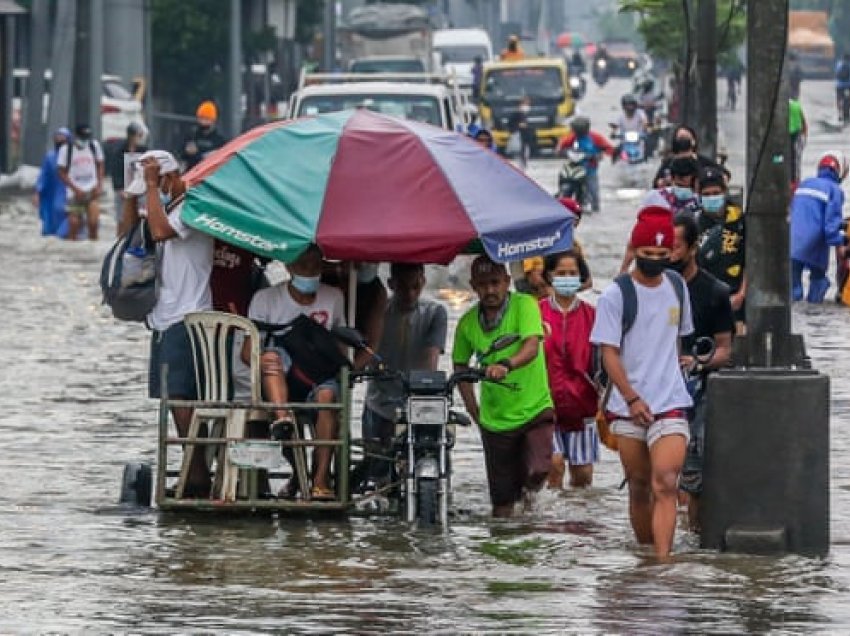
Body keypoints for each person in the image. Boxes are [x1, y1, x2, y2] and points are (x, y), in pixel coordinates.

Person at [591, 206, 694, 558]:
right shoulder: (615, 296)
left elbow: (677, 340)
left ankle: (663, 564)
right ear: (634, 250)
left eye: (662, 255)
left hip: (670, 402)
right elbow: (609, 353)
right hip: (627, 405)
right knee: (638, 485)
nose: (654, 260)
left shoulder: (678, 287)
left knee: (665, 482)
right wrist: (632, 398)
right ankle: (646, 555)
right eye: (648, 254)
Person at [123, 150, 214, 497]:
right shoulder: (165, 208)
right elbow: (130, 234)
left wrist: (149, 187)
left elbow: (159, 231)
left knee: (183, 398)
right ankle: (195, 471)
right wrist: (132, 195)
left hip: (188, 316)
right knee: (174, 399)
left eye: (158, 182)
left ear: (172, 178)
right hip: (164, 317)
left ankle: (197, 473)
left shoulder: (192, 208)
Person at [452, 256, 554, 517]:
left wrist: (507, 365)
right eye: (483, 284)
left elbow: (532, 346)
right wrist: (475, 412)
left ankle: (531, 513)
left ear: (507, 282)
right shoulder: (466, 324)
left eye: (496, 283)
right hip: (496, 421)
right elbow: (460, 368)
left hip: (535, 408)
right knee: (501, 506)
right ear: (473, 286)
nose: (490, 290)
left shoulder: (525, 305)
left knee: (539, 470)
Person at [244, 244, 345, 500]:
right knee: (272, 355)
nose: (309, 272)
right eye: (303, 266)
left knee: (326, 397)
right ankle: (282, 420)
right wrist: (262, 361)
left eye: (315, 266)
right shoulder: (265, 299)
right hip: (280, 379)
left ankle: (321, 480)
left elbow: (340, 347)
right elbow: (246, 352)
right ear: (289, 267)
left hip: (318, 376)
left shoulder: (333, 297)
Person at [668, 215, 734, 531]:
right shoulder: (651, 290)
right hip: (656, 397)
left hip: (698, 398)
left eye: (675, 246)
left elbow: (726, 349)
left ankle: (692, 545)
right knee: (656, 480)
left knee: (693, 481)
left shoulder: (715, 292)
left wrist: (697, 363)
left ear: (693, 247)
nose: (667, 253)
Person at [362, 264, 448, 488]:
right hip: (380, 400)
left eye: (415, 287)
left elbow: (432, 356)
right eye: (402, 287)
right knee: (376, 469)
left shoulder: (434, 313)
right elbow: (368, 348)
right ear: (391, 285)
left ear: (423, 282)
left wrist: (428, 383)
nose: (410, 294)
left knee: (434, 452)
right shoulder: (379, 310)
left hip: (417, 399)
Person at [539, 250, 599, 489]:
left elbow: (604, 360)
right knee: (553, 467)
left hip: (582, 406)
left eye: (572, 273)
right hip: (544, 406)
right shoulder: (536, 313)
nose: (567, 277)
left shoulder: (593, 315)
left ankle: (576, 524)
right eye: (561, 273)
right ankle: (550, 524)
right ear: (549, 276)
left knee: (583, 478)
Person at [790, 152, 849, 303]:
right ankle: (814, 313)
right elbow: (831, 225)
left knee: (792, 289)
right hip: (814, 244)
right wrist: (841, 242)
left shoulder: (805, 183)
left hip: (792, 243)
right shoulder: (834, 190)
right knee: (818, 280)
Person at [696, 166, 747, 331]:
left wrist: (741, 294)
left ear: (724, 192)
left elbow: (751, 261)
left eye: (716, 193)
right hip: (704, 302)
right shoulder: (692, 223)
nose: (712, 198)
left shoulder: (739, 221)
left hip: (736, 301)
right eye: (707, 194)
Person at [556, 116, 616, 212]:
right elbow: (560, 148)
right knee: (564, 181)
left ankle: (595, 207)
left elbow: (608, 148)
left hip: (590, 169)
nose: (578, 133)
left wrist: (599, 155)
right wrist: (563, 153)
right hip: (574, 168)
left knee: (593, 191)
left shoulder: (595, 137)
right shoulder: (571, 137)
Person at [56, 123, 105, 240]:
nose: (84, 140)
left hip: (92, 190)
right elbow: (61, 172)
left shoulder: (94, 146)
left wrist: (99, 185)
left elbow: (100, 164)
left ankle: (93, 249)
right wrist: (75, 189)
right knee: (74, 225)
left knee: (93, 223)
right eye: (82, 137)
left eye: (86, 137)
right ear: (75, 136)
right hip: (74, 193)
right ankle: (72, 252)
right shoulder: (66, 150)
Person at [654, 125, 729, 188]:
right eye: (680, 138)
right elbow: (656, 183)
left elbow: (724, 173)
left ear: (693, 141)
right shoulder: (669, 161)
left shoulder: (701, 160)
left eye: (686, 138)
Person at [107, 122, 147, 235]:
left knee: (140, 219)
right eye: (139, 135)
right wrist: (120, 188)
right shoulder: (119, 151)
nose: (141, 138)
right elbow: (115, 171)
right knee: (121, 220)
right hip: (122, 190)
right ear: (132, 136)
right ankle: (119, 244)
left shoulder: (144, 150)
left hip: (140, 191)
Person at [35, 127, 71, 236]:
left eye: (62, 137)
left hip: (68, 193)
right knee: (49, 219)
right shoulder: (50, 157)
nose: (59, 139)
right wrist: (38, 192)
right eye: (57, 137)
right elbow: (43, 176)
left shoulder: (73, 156)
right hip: (51, 194)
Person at [181, 101, 227, 171]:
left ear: (213, 121)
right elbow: (183, 157)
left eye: (206, 119)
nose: (203, 122)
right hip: (191, 174)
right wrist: (186, 152)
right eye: (201, 118)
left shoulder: (219, 141)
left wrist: (197, 154)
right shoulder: (191, 136)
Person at [508, 96, 534, 169]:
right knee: (520, 153)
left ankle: (524, 165)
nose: (528, 106)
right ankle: (521, 167)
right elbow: (510, 124)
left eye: (528, 104)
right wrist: (518, 126)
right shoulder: (516, 113)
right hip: (519, 136)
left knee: (525, 152)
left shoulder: (525, 113)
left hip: (525, 137)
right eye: (526, 104)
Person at [789, 94, 808, 188]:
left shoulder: (781, 106)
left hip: (788, 137)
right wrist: (804, 137)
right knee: (796, 161)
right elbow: (804, 122)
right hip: (797, 136)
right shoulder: (796, 105)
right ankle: (795, 182)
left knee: (778, 159)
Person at [834, 53, 850, 122]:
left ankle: (839, 114)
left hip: (838, 86)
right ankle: (846, 115)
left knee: (839, 99)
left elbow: (836, 73)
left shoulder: (839, 64)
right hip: (847, 86)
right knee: (846, 100)